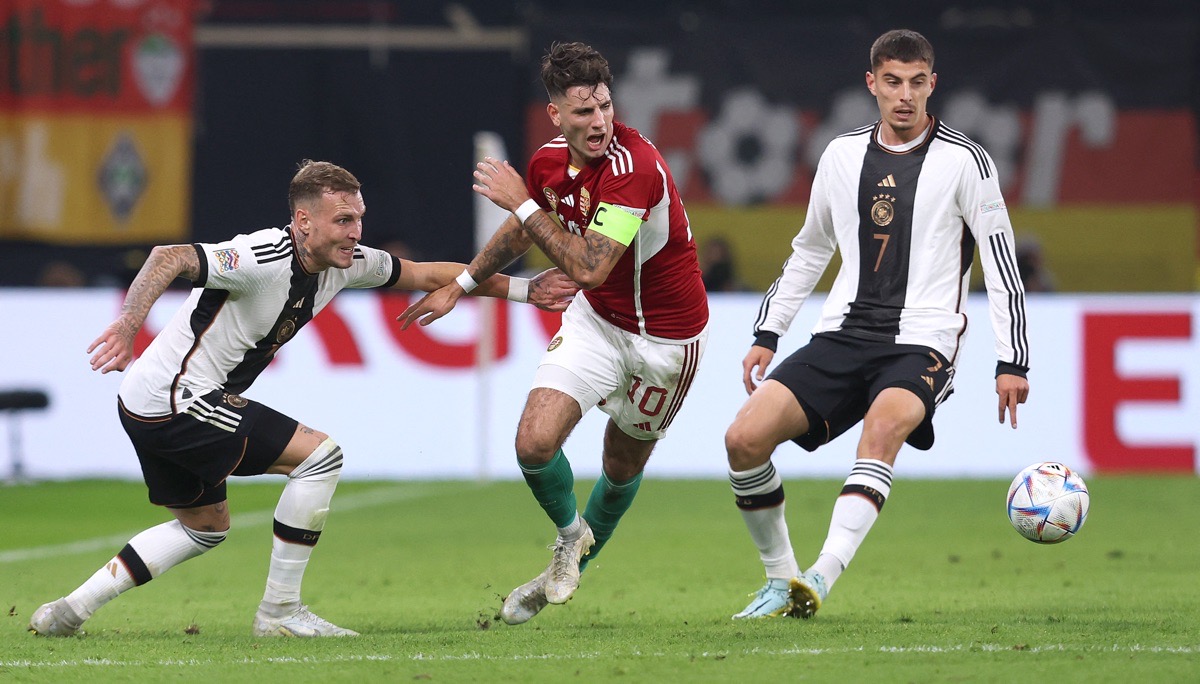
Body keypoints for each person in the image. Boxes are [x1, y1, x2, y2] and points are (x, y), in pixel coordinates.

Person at [28, 160, 575, 638]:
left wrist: (527, 291)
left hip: (147, 402)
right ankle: (280, 611)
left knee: (204, 527)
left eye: (359, 218)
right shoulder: (259, 256)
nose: (355, 231)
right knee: (320, 456)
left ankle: (68, 612)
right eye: (343, 220)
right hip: (177, 400)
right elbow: (168, 256)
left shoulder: (347, 263)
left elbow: (428, 273)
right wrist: (127, 324)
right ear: (303, 222)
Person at [723, 29, 1030, 619]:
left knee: (882, 431)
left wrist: (1011, 359)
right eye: (893, 81)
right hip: (842, 333)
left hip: (923, 340)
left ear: (932, 84)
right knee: (743, 439)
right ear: (873, 84)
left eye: (917, 82)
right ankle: (781, 581)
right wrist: (768, 331)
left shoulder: (967, 161)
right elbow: (810, 249)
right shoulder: (841, 156)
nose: (905, 95)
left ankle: (822, 574)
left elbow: (1000, 257)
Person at [401, 42, 709, 625]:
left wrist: (520, 203)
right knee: (533, 444)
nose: (599, 123)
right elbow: (523, 237)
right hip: (597, 321)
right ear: (556, 114)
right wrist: (463, 284)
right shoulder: (546, 162)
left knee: (620, 465)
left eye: (605, 108)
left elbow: (588, 266)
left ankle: (567, 572)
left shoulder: (634, 169)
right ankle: (571, 540)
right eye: (584, 112)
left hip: (667, 341)